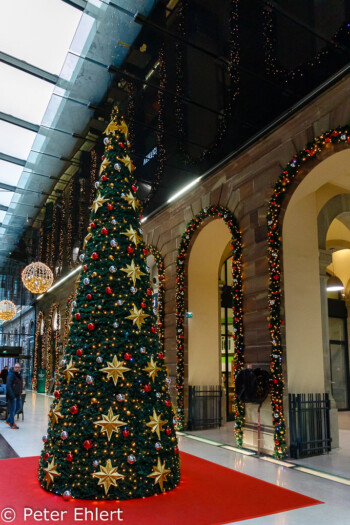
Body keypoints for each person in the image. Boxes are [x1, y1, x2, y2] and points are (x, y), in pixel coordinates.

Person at [5, 363, 22, 429]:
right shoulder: (11, 374)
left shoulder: (18, 375)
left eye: (18, 367)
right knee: (12, 409)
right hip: (12, 396)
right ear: (13, 367)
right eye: (16, 367)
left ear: (20, 368)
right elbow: (8, 386)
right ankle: (12, 424)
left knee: (19, 407)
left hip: (18, 395)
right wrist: (12, 396)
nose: (17, 368)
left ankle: (8, 420)